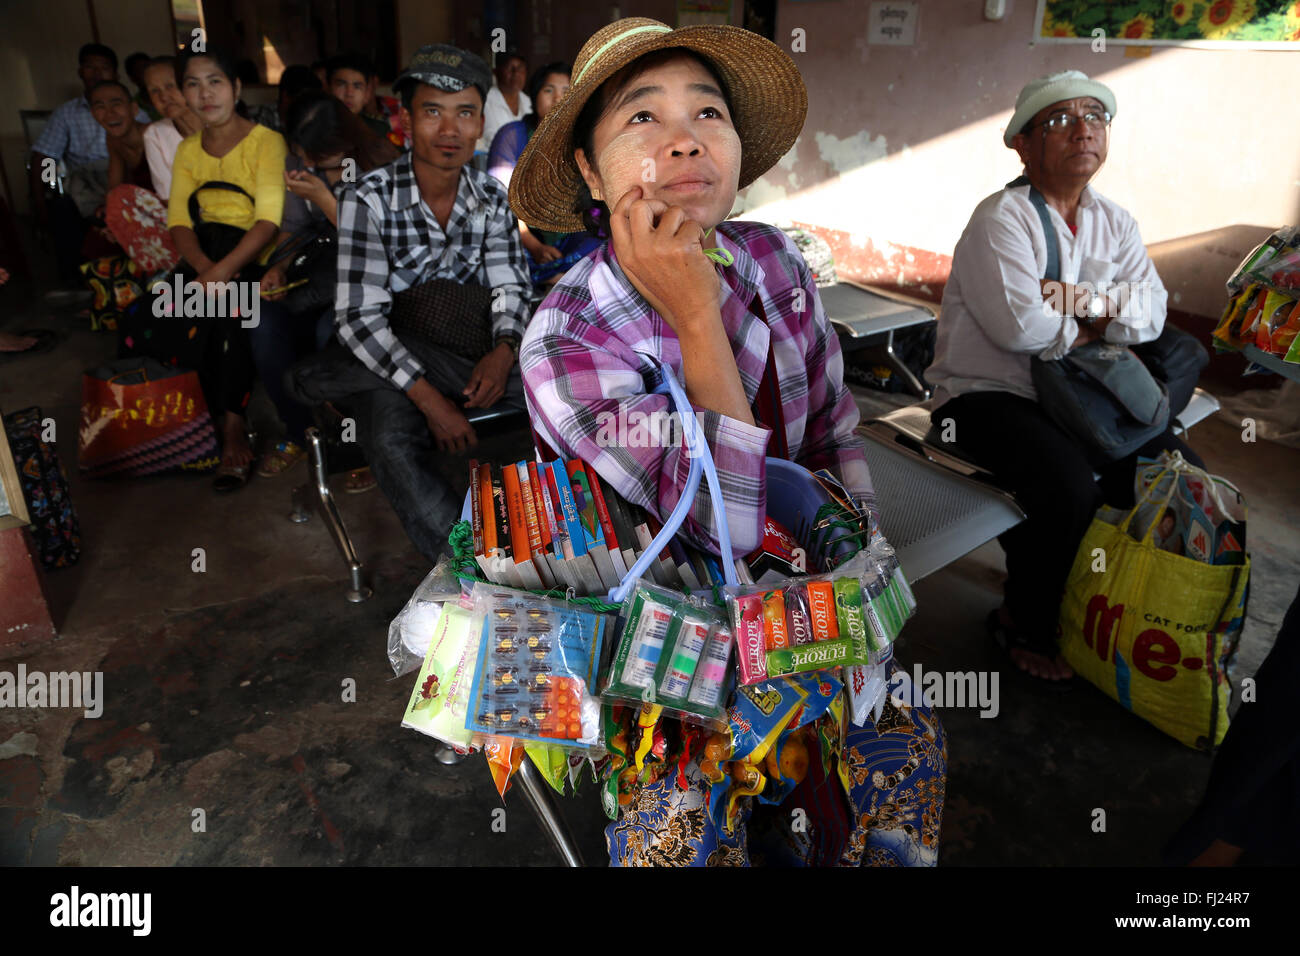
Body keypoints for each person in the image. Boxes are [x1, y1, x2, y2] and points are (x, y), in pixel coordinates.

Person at [509, 17, 946, 866]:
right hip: (663, 656)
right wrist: (696, 316)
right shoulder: (567, 339)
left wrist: (859, 569)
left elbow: (830, 433)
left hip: (811, 612)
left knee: (903, 759)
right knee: (680, 827)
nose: (683, 141)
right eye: (643, 119)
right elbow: (723, 532)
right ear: (591, 174)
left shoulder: (776, 262)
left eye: (708, 114)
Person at [925, 71, 1205, 682]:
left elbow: (1152, 313)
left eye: (1094, 118)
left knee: (1179, 477)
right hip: (983, 398)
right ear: (1021, 146)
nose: (1082, 129)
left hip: (1083, 397)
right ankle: (1021, 620)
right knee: (1067, 489)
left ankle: (1113, 607)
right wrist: (1107, 314)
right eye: (1058, 120)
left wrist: (1076, 303)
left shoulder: (1115, 222)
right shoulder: (1002, 218)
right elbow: (1019, 331)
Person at [288, 44, 531, 562]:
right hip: (396, 355)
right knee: (391, 436)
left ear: (479, 123)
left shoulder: (491, 200)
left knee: (555, 389)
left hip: (468, 353)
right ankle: (470, 572)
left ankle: (564, 537)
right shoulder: (367, 199)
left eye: (465, 113)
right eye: (432, 112)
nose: (450, 130)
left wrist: (505, 349)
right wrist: (431, 400)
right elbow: (360, 319)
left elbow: (511, 287)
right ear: (404, 119)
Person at [253, 91, 399, 480]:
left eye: (317, 158)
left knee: (331, 333)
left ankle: (355, 443)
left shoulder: (382, 164)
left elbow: (380, 245)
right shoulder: (302, 164)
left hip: (371, 280)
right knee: (263, 324)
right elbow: (296, 228)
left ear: (346, 144)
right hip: (317, 272)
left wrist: (325, 198)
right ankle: (300, 431)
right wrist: (278, 266)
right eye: (301, 155)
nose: (307, 165)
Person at [165, 46, 288, 492]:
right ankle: (189, 423)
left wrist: (222, 273)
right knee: (163, 311)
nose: (204, 93)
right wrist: (203, 268)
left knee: (232, 317)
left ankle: (233, 426)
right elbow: (178, 218)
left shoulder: (266, 142)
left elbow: (269, 219)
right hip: (205, 255)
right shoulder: (186, 150)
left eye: (214, 81)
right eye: (193, 84)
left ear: (236, 88)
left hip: (253, 255)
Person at [29, 43, 148, 283]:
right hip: (82, 181)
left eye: (104, 68)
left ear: (115, 74)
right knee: (63, 209)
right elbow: (46, 157)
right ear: (80, 72)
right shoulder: (66, 113)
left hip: (128, 178)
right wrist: (42, 198)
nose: (96, 73)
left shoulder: (138, 117)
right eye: (90, 67)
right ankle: (77, 286)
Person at [488, 62, 596, 286]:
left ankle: (555, 278)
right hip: (522, 236)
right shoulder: (512, 135)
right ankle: (559, 279)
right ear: (534, 96)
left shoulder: (583, 139)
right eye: (548, 90)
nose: (558, 98)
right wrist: (533, 245)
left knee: (601, 239)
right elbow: (500, 200)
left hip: (568, 235)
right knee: (499, 245)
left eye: (566, 91)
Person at [141, 56, 202, 201]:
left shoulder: (222, 124)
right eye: (154, 91)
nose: (163, 97)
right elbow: (168, 194)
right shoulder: (155, 134)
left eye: (170, 86)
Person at [90, 81, 153, 192]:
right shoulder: (113, 140)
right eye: (100, 107)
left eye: (116, 104)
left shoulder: (154, 134)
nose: (109, 113)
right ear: (93, 114)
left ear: (134, 109)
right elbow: (114, 189)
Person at [326, 53, 393, 143]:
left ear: (366, 94)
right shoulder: (315, 129)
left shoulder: (379, 131)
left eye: (357, 86)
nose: (349, 93)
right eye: (341, 84)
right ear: (328, 89)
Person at [476, 51, 530, 155]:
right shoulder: (485, 100)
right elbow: (491, 138)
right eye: (509, 68)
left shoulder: (528, 102)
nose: (516, 73)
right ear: (496, 72)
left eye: (520, 68)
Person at [124, 51, 160, 121]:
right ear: (132, 78)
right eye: (138, 70)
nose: (144, 73)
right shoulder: (134, 105)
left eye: (145, 68)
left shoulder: (166, 96)